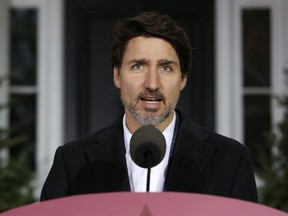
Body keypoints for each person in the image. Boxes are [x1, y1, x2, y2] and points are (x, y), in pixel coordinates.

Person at [40, 11, 258, 202]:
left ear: (183, 78)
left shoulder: (231, 161)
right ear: (117, 75)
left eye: (166, 68)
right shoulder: (71, 162)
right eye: (138, 66)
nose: (152, 84)